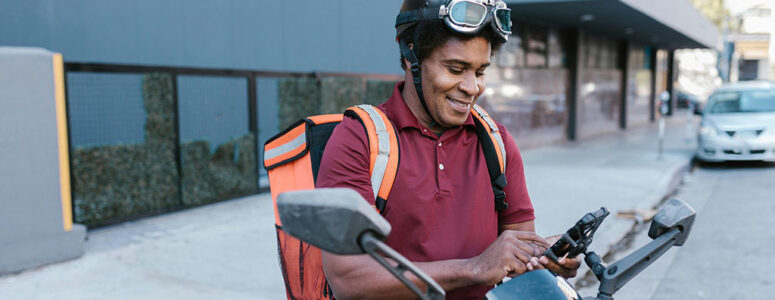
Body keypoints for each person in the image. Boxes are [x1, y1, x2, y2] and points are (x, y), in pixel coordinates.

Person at [316, 1, 580, 299]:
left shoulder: (496, 141)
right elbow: (349, 279)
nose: (472, 87)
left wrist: (543, 261)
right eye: (456, 69)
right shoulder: (359, 139)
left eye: (480, 71)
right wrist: (473, 268)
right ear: (410, 55)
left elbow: (517, 252)